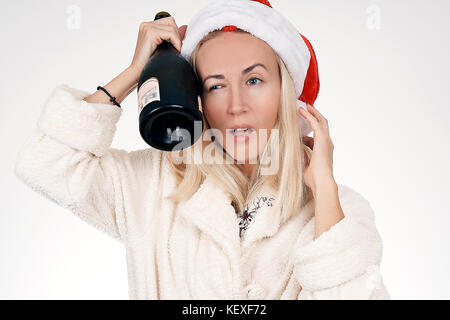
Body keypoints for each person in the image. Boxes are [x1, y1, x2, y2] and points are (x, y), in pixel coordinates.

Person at [14, 0, 390, 299]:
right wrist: (136, 73)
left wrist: (323, 187)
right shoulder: (153, 187)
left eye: (254, 79)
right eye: (215, 85)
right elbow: (47, 161)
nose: (236, 105)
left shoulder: (337, 213)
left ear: (286, 94)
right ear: (196, 99)